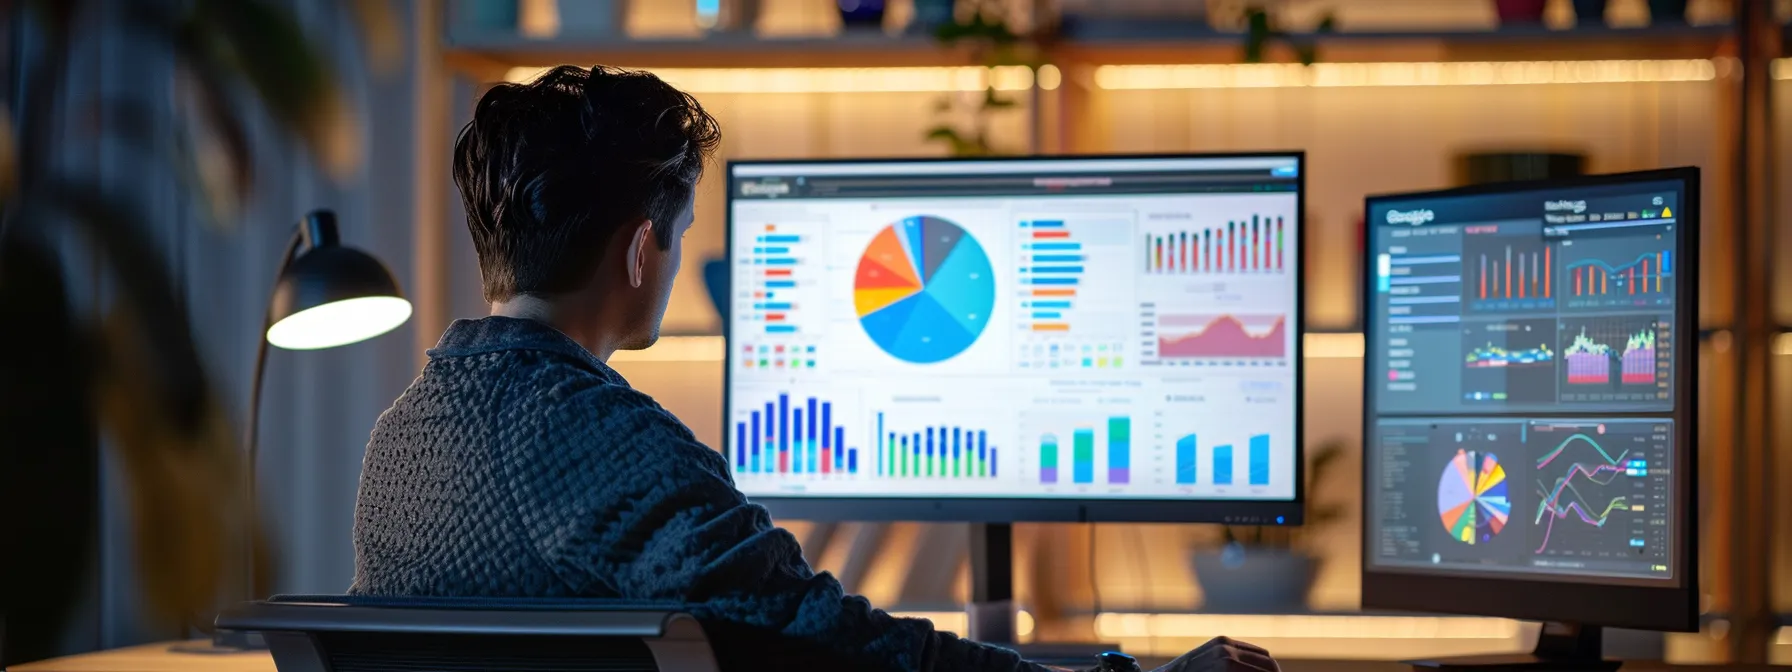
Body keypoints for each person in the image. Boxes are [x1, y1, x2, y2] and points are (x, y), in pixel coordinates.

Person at [350, 64, 1282, 672]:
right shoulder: (607, 445)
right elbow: (836, 643)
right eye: (677, 240)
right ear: (642, 253)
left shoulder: (398, 445)